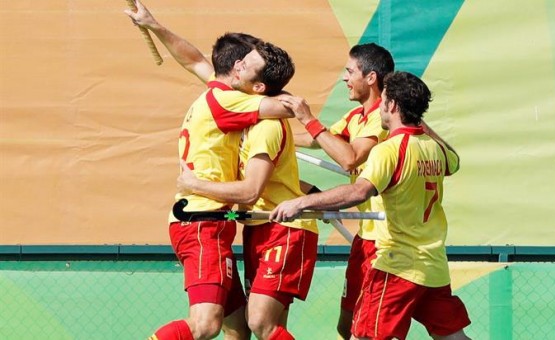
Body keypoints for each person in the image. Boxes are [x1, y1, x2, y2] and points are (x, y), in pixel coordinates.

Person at [125, 1, 297, 339]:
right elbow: (288, 109)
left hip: (207, 221)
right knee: (205, 325)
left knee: (238, 327)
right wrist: (279, 91)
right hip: (203, 223)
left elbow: (193, 59)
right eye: (247, 64)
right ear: (238, 73)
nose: (243, 64)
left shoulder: (218, 90)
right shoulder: (232, 101)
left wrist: (155, 25)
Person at [271, 71, 471, 340]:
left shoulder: (390, 150)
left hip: (397, 264)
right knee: (453, 337)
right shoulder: (435, 149)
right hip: (431, 266)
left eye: (384, 101)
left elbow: (358, 191)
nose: (380, 110)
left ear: (391, 106)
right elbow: (454, 161)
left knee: (363, 336)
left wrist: (302, 202)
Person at [176, 93, 319, 339]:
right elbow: (198, 63)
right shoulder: (241, 123)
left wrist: (194, 184)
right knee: (256, 326)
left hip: (282, 228)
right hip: (253, 227)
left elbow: (252, 191)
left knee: (256, 322)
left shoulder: (266, 127)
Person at [280, 43, 392, 339]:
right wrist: (271, 134)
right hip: (364, 238)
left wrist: (308, 118)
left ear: (370, 78)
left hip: (387, 241)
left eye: (350, 71)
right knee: (348, 326)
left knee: (368, 331)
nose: (345, 78)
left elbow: (349, 157)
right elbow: (320, 140)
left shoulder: (383, 119)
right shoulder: (356, 117)